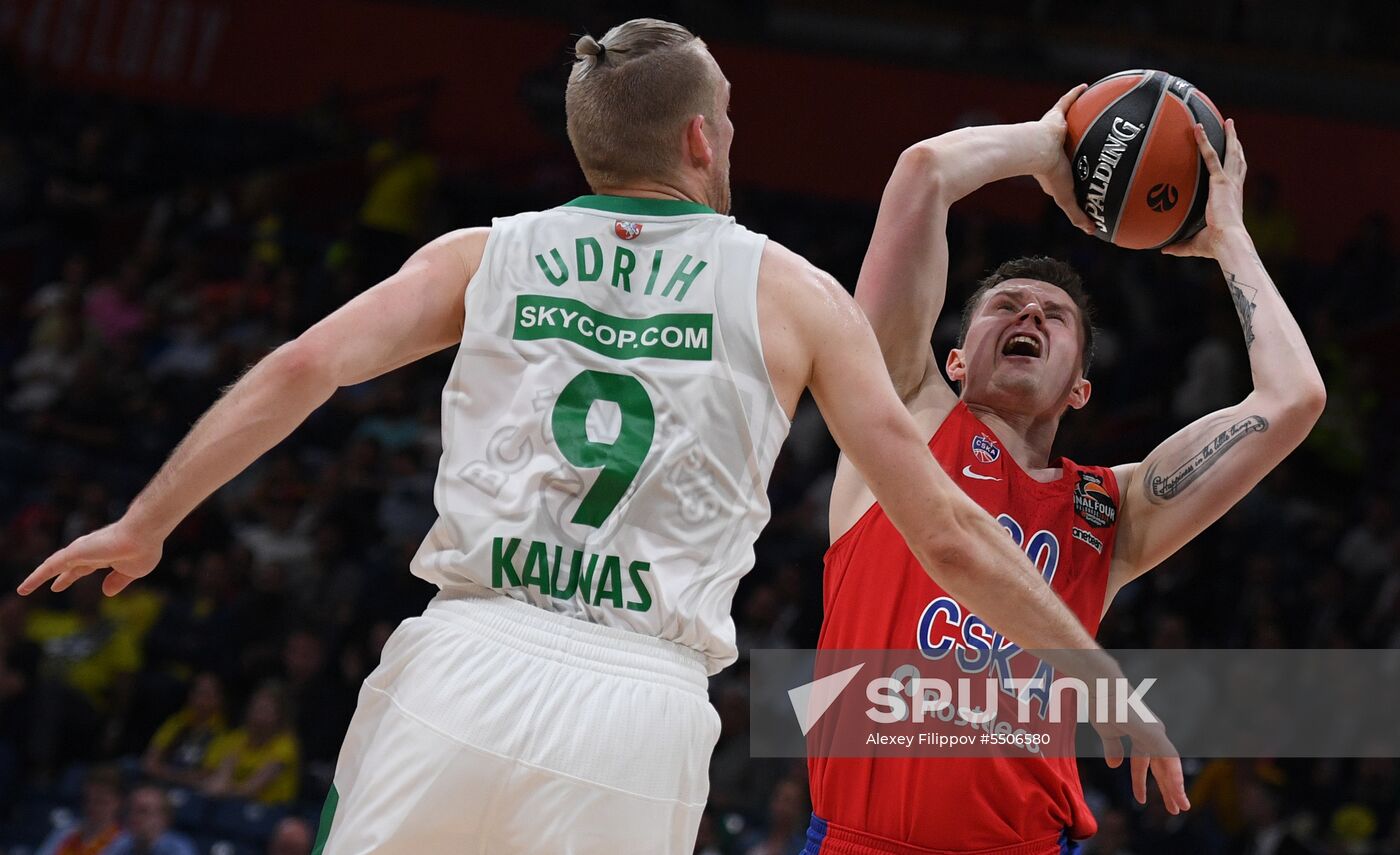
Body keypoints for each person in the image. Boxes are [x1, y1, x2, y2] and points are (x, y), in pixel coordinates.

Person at [21, 20, 1166, 853]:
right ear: (702, 141)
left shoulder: (482, 253)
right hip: (635, 701)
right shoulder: (789, 293)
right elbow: (956, 541)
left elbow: (300, 367)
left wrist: (146, 519)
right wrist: (1100, 681)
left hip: (461, 661)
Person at [810, 89, 1326, 852]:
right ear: (954, 360)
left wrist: (1228, 239)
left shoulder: (1110, 510)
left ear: (1081, 385)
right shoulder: (901, 422)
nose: (1028, 317)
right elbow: (922, 174)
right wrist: (1050, 146)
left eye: (1053, 318)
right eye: (1006, 306)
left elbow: (1293, 399)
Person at [201, 683, 300, 805]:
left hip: (270, 810)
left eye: (265, 710)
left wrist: (222, 788)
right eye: (256, 708)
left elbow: (251, 789)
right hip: (230, 803)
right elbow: (214, 781)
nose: (258, 716)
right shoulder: (236, 738)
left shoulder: (285, 745)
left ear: (280, 716)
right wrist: (220, 785)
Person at [34, 766, 123, 855]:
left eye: (100, 801)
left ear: (118, 802)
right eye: (87, 800)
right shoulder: (65, 832)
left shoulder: (124, 841)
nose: (92, 807)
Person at [106, 785, 198, 855]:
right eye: (130, 810)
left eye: (143, 811)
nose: (134, 817)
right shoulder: (121, 843)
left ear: (163, 818)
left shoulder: (178, 849)